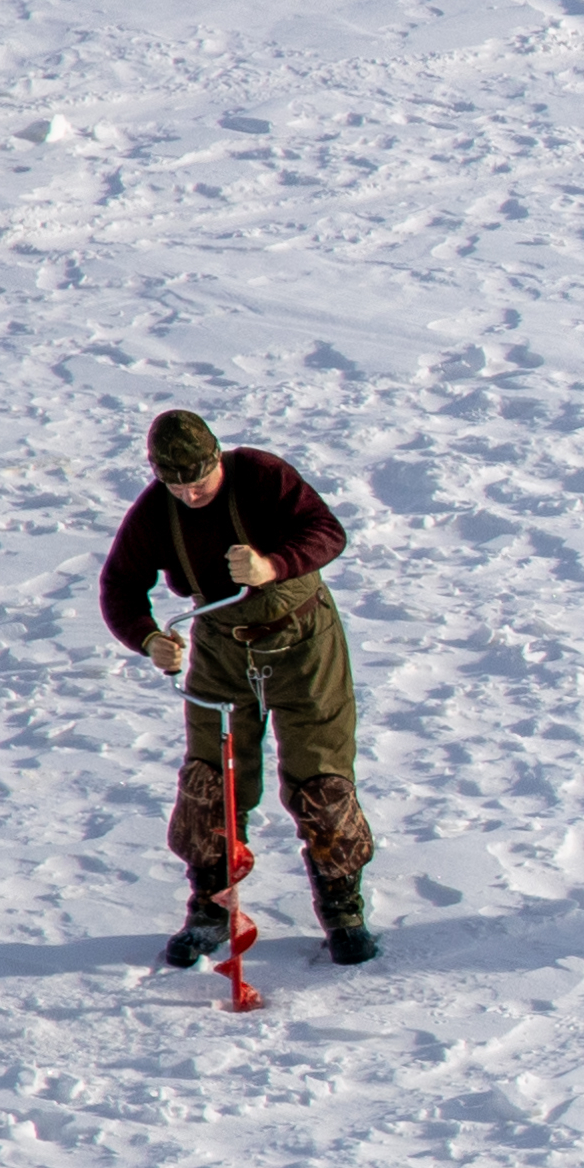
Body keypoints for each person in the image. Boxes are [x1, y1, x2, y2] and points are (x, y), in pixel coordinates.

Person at [96, 406, 381, 966]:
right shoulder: (157, 511)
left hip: (303, 643)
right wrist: (148, 638)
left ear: (217, 460)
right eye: (175, 484)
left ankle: (343, 908)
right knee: (210, 779)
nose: (189, 494)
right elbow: (120, 585)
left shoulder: (263, 476)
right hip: (222, 649)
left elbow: (328, 533)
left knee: (320, 777)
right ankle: (211, 908)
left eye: (198, 481)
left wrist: (275, 565)